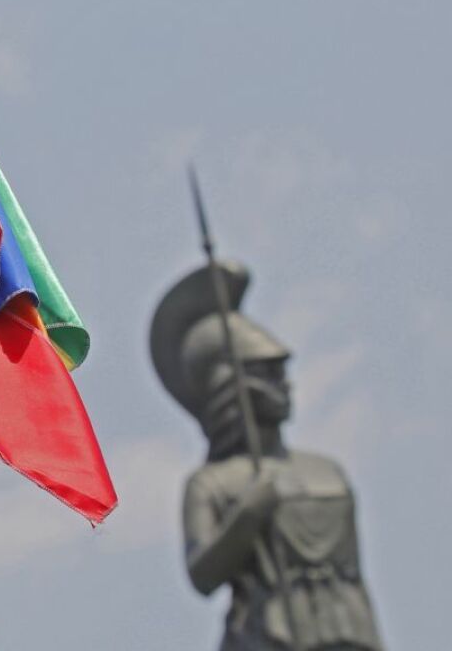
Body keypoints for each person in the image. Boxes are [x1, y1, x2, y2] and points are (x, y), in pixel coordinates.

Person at [150, 261, 383, 650]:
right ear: (232, 387)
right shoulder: (212, 484)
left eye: (282, 371)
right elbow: (202, 575)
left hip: (349, 635)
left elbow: (354, 577)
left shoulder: (329, 472)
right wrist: (248, 515)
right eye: (268, 373)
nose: (285, 385)